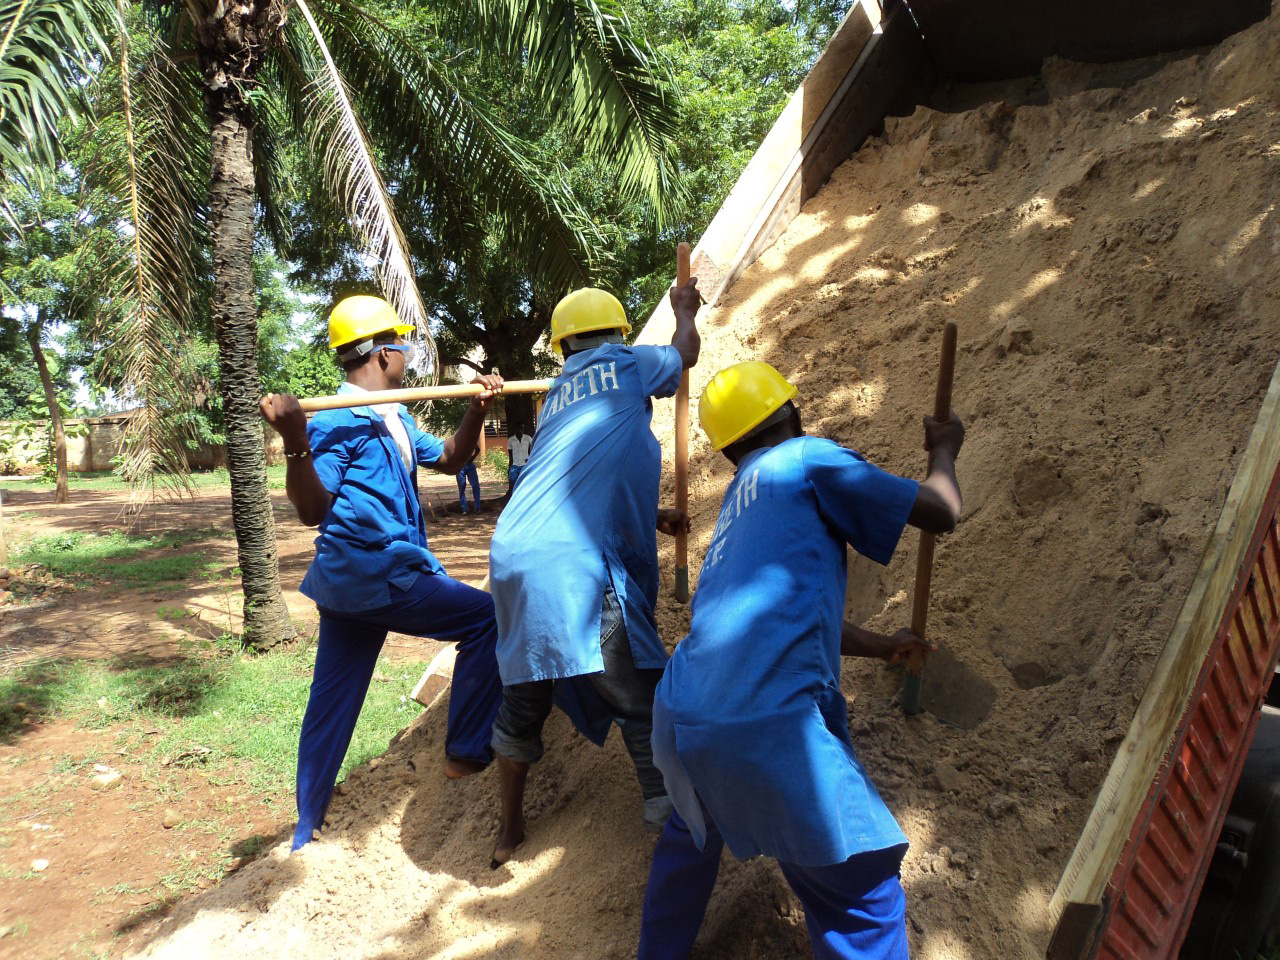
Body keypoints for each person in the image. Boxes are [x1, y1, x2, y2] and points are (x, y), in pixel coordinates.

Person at [636, 361, 965, 960]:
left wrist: (880, 644)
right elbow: (941, 511)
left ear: (731, 450)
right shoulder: (810, 459)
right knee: (862, 898)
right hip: (766, 722)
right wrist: (945, 451)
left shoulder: (739, 505)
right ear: (791, 412)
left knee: (690, 840)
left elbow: (783, 615)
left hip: (685, 714)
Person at [258, 294, 506, 852]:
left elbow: (448, 459)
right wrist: (296, 443)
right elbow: (313, 511)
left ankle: (306, 828)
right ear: (384, 353)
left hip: (351, 585)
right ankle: (466, 754)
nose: (410, 355)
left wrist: (475, 410)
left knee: (331, 702)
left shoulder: (392, 413)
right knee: (487, 620)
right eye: (405, 345)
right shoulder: (337, 420)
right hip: (377, 573)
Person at [487, 282, 702, 866]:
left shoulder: (554, 397)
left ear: (562, 348)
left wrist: (651, 514)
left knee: (523, 700)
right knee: (641, 703)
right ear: (618, 334)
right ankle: (673, 835)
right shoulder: (629, 364)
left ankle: (507, 834)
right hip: (574, 566)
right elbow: (686, 353)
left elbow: (570, 486)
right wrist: (684, 311)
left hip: (513, 557)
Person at [506, 421, 532, 490]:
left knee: (525, 482)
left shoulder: (528, 438)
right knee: (513, 482)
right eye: (519, 428)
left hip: (525, 464)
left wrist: (529, 458)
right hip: (515, 465)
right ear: (515, 429)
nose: (520, 429)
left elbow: (534, 448)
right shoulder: (511, 440)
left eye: (522, 428)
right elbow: (510, 454)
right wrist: (510, 466)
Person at [456, 445, 481, 513]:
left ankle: (477, 508)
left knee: (476, 486)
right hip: (460, 466)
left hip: (470, 465)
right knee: (462, 487)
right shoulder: (456, 442)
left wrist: (472, 458)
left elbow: (478, 449)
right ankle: (464, 509)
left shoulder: (469, 440)